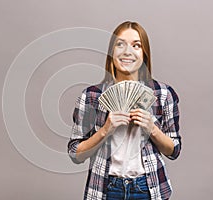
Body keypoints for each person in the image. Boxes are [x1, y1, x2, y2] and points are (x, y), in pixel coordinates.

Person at [68, 21, 181, 200]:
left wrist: (152, 128)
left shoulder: (163, 94)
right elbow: (75, 153)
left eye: (136, 45)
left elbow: (174, 150)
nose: (127, 51)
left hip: (148, 187)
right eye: (120, 44)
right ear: (111, 52)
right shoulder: (91, 96)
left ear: (144, 54)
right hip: (105, 188)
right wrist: (105, 130)